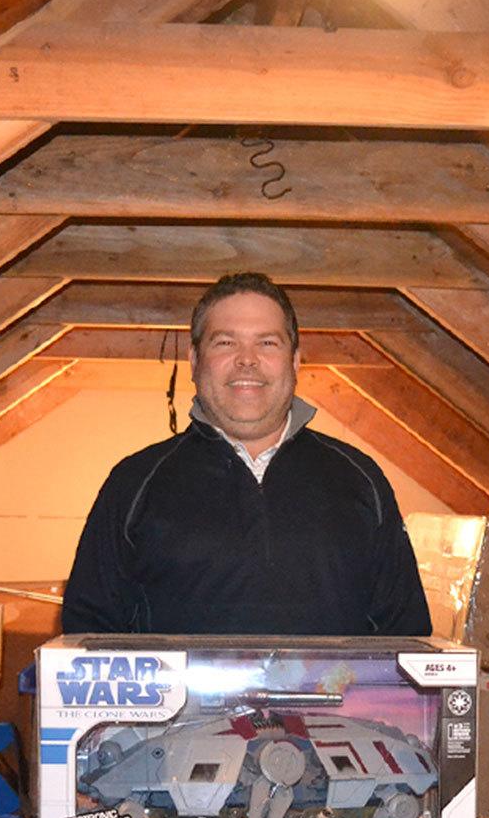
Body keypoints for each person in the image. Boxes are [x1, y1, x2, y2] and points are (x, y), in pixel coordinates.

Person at [61, 272, 432, 636]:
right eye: (225, 343)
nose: (247, 360)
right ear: (194, 360)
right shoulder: (134, 483)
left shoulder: (360, 479)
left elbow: (408, 637)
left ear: (296, 360)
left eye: (267, 343)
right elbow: (87, 639)